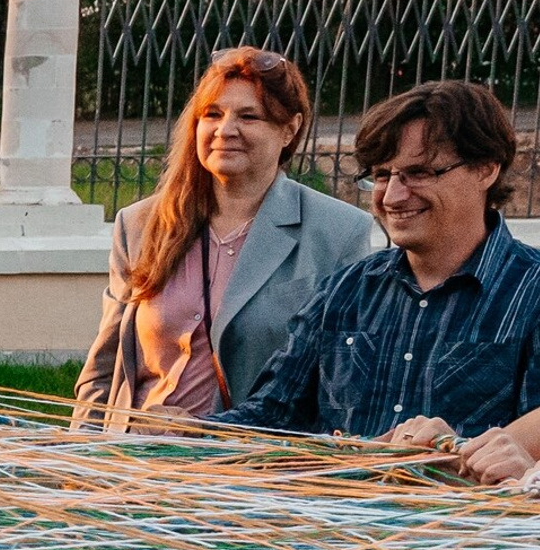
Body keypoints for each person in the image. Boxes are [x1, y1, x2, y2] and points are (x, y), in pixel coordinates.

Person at [218, 80, 540, 442]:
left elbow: (526, 454)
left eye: (419, 173)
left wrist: (460, 453)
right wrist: (184, 434)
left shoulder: (531, 292)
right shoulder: (346, 290)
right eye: (382, 176)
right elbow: (270, 414)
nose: (393, 197)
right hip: (338, 481)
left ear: (485, 170)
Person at [73, 49, 376, 429]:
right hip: (135, 454)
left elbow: (341, 385)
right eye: (212, 114)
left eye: (249, 116)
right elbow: (104, 368)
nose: (225, 130)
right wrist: (84, 450)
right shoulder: (139, 225)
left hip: (250, 459)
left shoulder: (339, 231)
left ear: (290, 129)